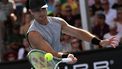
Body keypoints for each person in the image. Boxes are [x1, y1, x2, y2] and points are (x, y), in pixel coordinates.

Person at [27, 0, 119, 64]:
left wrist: (99, 42)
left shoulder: (57, 22)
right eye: (37, 10)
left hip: (55, 64)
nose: (41, 13)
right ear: (31, 12)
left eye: (43, 9)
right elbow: (53, 54)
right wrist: (67, 56)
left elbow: (77, 32)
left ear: (47, 8)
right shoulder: (33, 33)